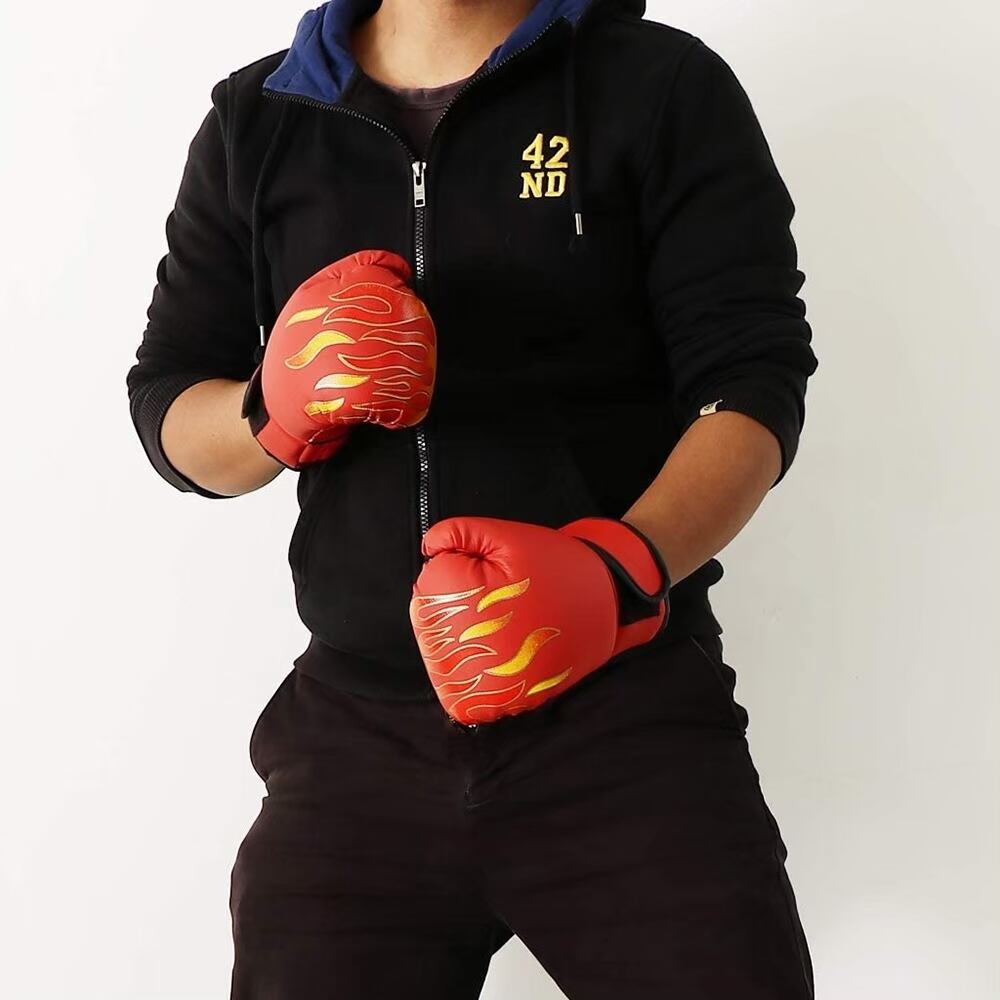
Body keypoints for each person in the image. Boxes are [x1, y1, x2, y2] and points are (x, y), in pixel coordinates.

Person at [126, 0, 819, 995]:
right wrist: (270, 407)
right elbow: (168, 403)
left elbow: (750, 385)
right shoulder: (258, 117)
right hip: (353, 739)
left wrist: (616, 571)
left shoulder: (660, 85)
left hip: (624, 716)